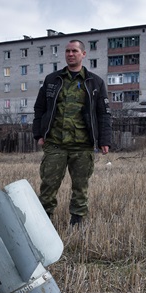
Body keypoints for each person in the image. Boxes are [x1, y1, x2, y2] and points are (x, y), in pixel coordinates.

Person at [33, 39, 112, 226]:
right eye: (68, 51)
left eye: (75, 51)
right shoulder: (52, 80)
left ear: (83, 54)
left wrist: (104, 140)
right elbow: (39, 108)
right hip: (55, 144)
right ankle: (45, 223)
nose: (70, 54)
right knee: (48, 186)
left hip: (82, 145)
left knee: (80, 187)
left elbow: (104, 113)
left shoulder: (95, 82)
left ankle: (77, 223)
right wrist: (38, 134)